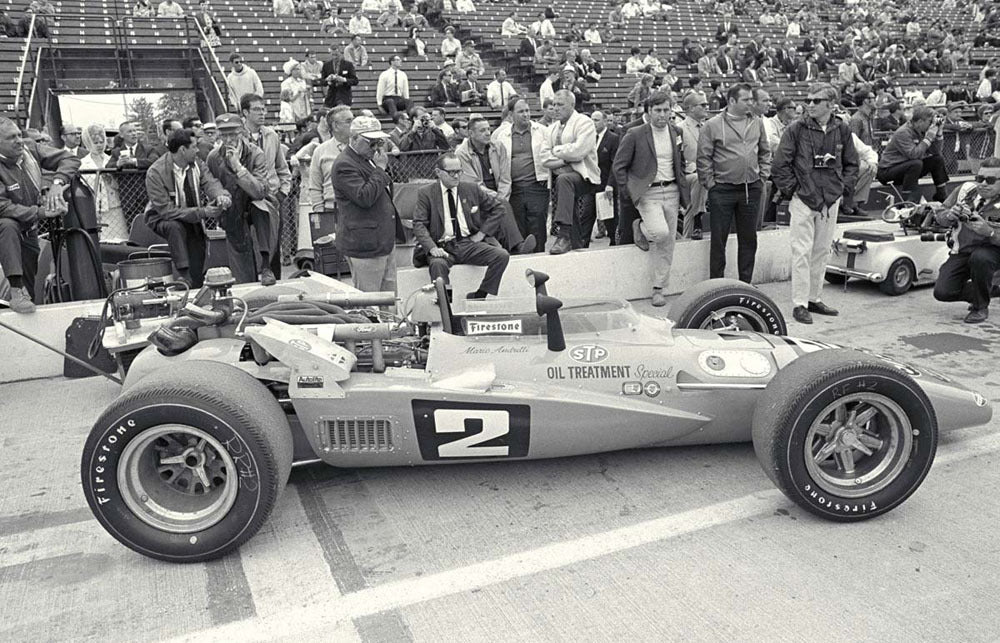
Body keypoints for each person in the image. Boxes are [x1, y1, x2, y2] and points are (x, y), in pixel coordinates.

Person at [771, 83, 859, 325]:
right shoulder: (796, 128)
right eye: (808, 100)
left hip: (830, 198)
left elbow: (852, 163)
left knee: (821, 250)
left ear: (831, 105)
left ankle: (814, 298)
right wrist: (795, 190)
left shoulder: (841, 128)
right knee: (801, 252)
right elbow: (780, 165)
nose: (809, 104)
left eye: (816, 100)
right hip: (804, 198)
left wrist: (842, 187)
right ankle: (799, 303)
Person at [613, 92, 689, 306]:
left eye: (666, 110)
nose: (662, 115)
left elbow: (679, 162)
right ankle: (640, 227)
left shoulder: (677, 132)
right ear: (648, 112)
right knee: (660, 232)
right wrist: (629, 192)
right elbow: (619, 166)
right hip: (648, 193)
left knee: (668, 243)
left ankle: (658, 288)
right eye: (657, 110)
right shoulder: (634, 133)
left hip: (672, 191)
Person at [0, 116, 79, 313]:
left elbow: (70, 158)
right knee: (7, 224)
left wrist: (57, 184)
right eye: (11, 137)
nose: (19, 140)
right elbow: (3, 207)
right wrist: (42, 212)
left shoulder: (30, 149)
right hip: (8, 227)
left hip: (29, 228)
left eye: (19, 134)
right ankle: (15, 292)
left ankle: (24, 301)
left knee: (29, 280)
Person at [697, 83, 771, 283]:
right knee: (718, 241)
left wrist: (762, 176)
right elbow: (703, 158)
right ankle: (716, 284)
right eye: (746, 100)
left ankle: (745, 283)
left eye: (751, 99)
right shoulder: (712, 125)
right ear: (731, 101)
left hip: (751, 188)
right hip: (722, 190)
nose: (751, 103)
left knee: (749, 239)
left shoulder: (756, 122)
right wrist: (711, 184)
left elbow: (765, 151)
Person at [413, 153, 511, 299]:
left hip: (467, 243)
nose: (456, 176)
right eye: (451, 172)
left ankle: (480, 294)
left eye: (459, 171)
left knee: (501, 256)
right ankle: (446, 304)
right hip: (442, 246)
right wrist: (432, 248)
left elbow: (499, 209)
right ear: (438, 172)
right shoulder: (426, 193)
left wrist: (482, 234)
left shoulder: (471, 189)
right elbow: (419, 223)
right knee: (438, 265)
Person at [145, 129, 231, 288]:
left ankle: (196, 282)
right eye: (194, 147)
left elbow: (210, 182)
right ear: (183, 150)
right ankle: (183, 276)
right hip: (161, 218)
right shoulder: (155, 172)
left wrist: (220, 196)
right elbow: (166, 211)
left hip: (192, 215)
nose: (198, 150)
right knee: (175, 227)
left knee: (197, 248)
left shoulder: (197, 164)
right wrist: (203, 212)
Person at [330, 115, 399, 294]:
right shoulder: (344, 164)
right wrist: (380, 169)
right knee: (370, 300)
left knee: (390, 297)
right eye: (371, 143)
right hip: (365, 244)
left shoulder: (365, 158)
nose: (376, 148)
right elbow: (364, 197)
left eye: (380, 142)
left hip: (381, 240)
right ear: (354, 139)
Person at [206, 113, 274, 285]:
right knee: (242, 276)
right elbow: (211, 186)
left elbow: (259, 191)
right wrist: (219, 197)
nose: (229, 140)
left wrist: (238, 167)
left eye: (233, 134)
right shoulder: (213, 157)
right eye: (224, 135)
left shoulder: (255, 153)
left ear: (242, 132)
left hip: (256, 206)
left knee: (261, 207)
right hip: (232, 210)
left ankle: (266, 266)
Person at [932, 159, 1000, 323]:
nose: (983, 184)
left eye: (990, 180)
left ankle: (980, 307)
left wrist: (990, 232)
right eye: (979, 178)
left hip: (993, 249)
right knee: (943, 292)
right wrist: (949, 216)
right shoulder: (964, 190)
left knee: (980, 258)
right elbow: (940, 215)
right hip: (963, 250)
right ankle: (990, 289)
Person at [241, 94, 292, 281]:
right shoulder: (237, 135)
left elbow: (282, 168)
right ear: (245, 112)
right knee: (248, 248)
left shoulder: (272, 135)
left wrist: (282, 193)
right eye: (256, 109)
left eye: (263, 109)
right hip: (245, 199)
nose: (262, 113)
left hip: (271, 198)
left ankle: (274, 284)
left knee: (273, 247)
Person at [492, 98, 553, 250]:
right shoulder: (501, 135)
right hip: (514, 188)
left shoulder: (542, 131)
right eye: (521, 112)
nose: (526, 114)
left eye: (527, 111)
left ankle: (539, 259)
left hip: (537, 185)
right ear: (511, 115)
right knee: (518, 227)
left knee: (538, 224)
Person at [544, 89, 600, 254]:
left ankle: (563, 235)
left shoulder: (584, 122)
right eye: (554, 104)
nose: (555, 108)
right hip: (560, 179)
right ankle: (576, 244)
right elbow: (543, 157)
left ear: (572, 105)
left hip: (584, 177)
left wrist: (555, 151)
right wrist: (564, 158)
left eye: (560, 104)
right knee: (571, 210)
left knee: (565, 181)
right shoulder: (552, 128)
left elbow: (579, 151)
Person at [877, 106, 949, 204]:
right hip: (888, 172)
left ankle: (942, 195)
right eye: (930, 121)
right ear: (919, 122)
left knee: (937, 159)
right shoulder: (903, 132)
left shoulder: (923, 131)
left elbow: (936, 152)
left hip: (907, 169)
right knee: (916, 163)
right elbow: (914, 155)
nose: (932, 124)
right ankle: (909, 200)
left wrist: (939, 132)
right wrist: (928, 138)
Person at [307, 106, 353, 238]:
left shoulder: (362, 148)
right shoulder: (320, 151)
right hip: (330, 211)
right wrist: (320, 214)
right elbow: (315, 186)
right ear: (335, 125)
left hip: (358, 210)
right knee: (331, 254)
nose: (353, 125)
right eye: (349, 121)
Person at [79, 124, 128, 239]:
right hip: (96, 207)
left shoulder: (111, 159)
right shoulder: (82, 163)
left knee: (121, 237)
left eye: (101, 142)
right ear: (88, 143)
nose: (99, 145)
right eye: (96, 143)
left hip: (115, 204)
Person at [580, 110, 619, 246]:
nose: (593, 123)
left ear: (604, 121)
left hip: (605, 186)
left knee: (609, 219)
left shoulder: (613, 139)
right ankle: (583, 245)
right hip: (591, 185)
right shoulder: (587, 137)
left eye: (596, 120)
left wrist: (611, 185)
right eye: (592, 119)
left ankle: (615, 244)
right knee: (586, 216)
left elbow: (615, 164)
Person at [677, 91, 709, 240]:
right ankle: (698, 220)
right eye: (703, 105)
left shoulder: (709, 127)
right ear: (690, 108)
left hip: (709, 173)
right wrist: (693, 166)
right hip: (689, 174)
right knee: (699, 179)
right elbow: (676, 158)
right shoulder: (679, 129)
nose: (706, 107)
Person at [280, 59, 311, 124]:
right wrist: (298, 93)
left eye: (298, 69)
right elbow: (287, 99)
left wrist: (307, 92)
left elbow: (306, 97)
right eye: (295, 69)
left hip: (303, 109)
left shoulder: (302, 82)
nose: (297, 71)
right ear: (291, 71)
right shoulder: (286, 83)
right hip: (292, 109)